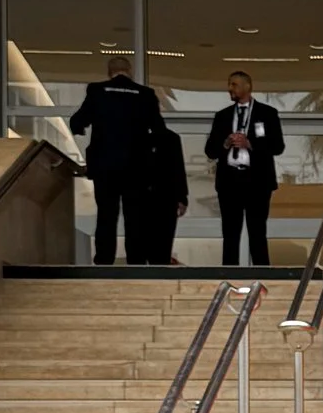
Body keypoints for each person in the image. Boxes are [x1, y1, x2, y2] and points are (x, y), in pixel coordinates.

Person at [68, 51, 169, 265]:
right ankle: (136, 261)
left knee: (106, 215)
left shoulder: (97, 91)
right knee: (135, 217)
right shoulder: (145, 94)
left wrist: (83, 131)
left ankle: (104, 261)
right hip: (137, 168)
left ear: (109, 72)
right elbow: (160, 131)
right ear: (130, 72)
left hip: (105, 167)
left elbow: (77, 122)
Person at [205, 67, 284, 265]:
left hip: (257, 181)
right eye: (229, 85)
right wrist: (225, 144)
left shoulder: (267, 113)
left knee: (257, 231)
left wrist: (250, 144)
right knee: (230, 232)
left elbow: (278, 146)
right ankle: (228, 273)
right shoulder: (222, 116)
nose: (230, 88)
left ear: (247, 86)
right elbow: (210, 150)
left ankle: (262, 273)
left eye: (234, 84)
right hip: (229, 181)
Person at [121, 109, 189, 263]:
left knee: (161, 249)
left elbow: (178, 169)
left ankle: (159, 275)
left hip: (164, 201)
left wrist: (182, 197)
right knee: (135, 248)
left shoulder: (171, 139)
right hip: (136, 200)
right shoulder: (129, 138)